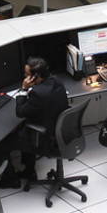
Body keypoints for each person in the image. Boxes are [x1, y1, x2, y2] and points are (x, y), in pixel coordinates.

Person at [6, 56, 68, 185]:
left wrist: (24, 89)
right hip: (62, 131)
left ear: (36, 76)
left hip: (47, 139)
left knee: (5, 143)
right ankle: (29, 171)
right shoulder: (56, 81)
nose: (25, 76)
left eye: (27, 74)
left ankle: (10, 180)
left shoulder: (38, 93)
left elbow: (20, 112)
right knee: (25, 127)